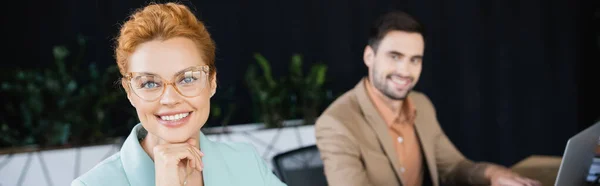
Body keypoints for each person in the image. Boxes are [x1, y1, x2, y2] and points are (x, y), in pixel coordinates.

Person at [314, 11, 541, 186]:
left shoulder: (421, 104)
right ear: (369, 56)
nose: (405, 71)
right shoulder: (336, 123)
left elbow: (453, 166)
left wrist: (495, 176)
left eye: (415, 59)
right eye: (395, 56)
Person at [71, 2, 285, 186]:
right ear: (130, 93)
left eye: (188, 78)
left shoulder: (244, 162)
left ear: (212, 82)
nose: (170, 99)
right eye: (149, 83)